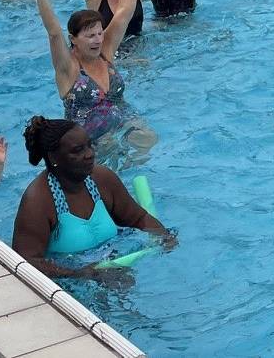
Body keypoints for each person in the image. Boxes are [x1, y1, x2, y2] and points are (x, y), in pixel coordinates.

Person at [11, 116, 173, 282]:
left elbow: (139, 218)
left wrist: (164, 235)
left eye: (90, 145)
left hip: (111, 266)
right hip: (70, 283)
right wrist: (76, 275)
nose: (89, 154)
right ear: (53, 157)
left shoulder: (103, 179)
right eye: (77, 150)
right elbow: (26, 262)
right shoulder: (37, 201)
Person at [32, 0, 159, 156]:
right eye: (90, 36)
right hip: (89, 143)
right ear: (73, 39)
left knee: (149, 140)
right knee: (110, 148)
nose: (98, 40)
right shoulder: (68, 67)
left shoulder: (105, 52)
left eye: (99, 34)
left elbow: (124, 11)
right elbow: (54, 33)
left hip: (123, 123)